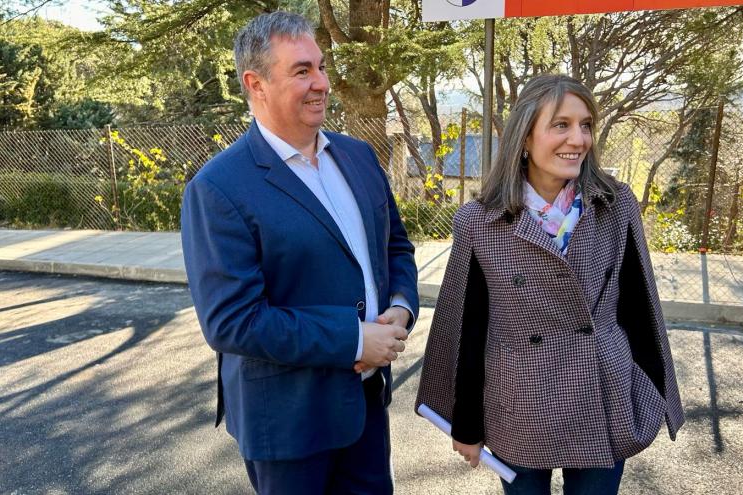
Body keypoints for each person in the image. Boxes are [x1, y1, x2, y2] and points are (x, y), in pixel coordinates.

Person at [181, 11, 418, 495]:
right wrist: (353, 340)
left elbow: (395, 246)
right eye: (302, 71)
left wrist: (400, 306)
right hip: (288, 424)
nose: (321, 83)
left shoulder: (358, 156)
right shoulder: (218, 187)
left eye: (322, 67)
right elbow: (231, 321)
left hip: (366, 407)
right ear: (256, 84)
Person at [415, 74, 684, 494]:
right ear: (525, 136)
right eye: (561, 125)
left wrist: (650, 392)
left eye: (586, 125)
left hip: (603, 392)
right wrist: (465, 423)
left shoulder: (615, 204)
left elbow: (638, 304)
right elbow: (468, 327)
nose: (578, 138)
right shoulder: (480, 221)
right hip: (519, 403)